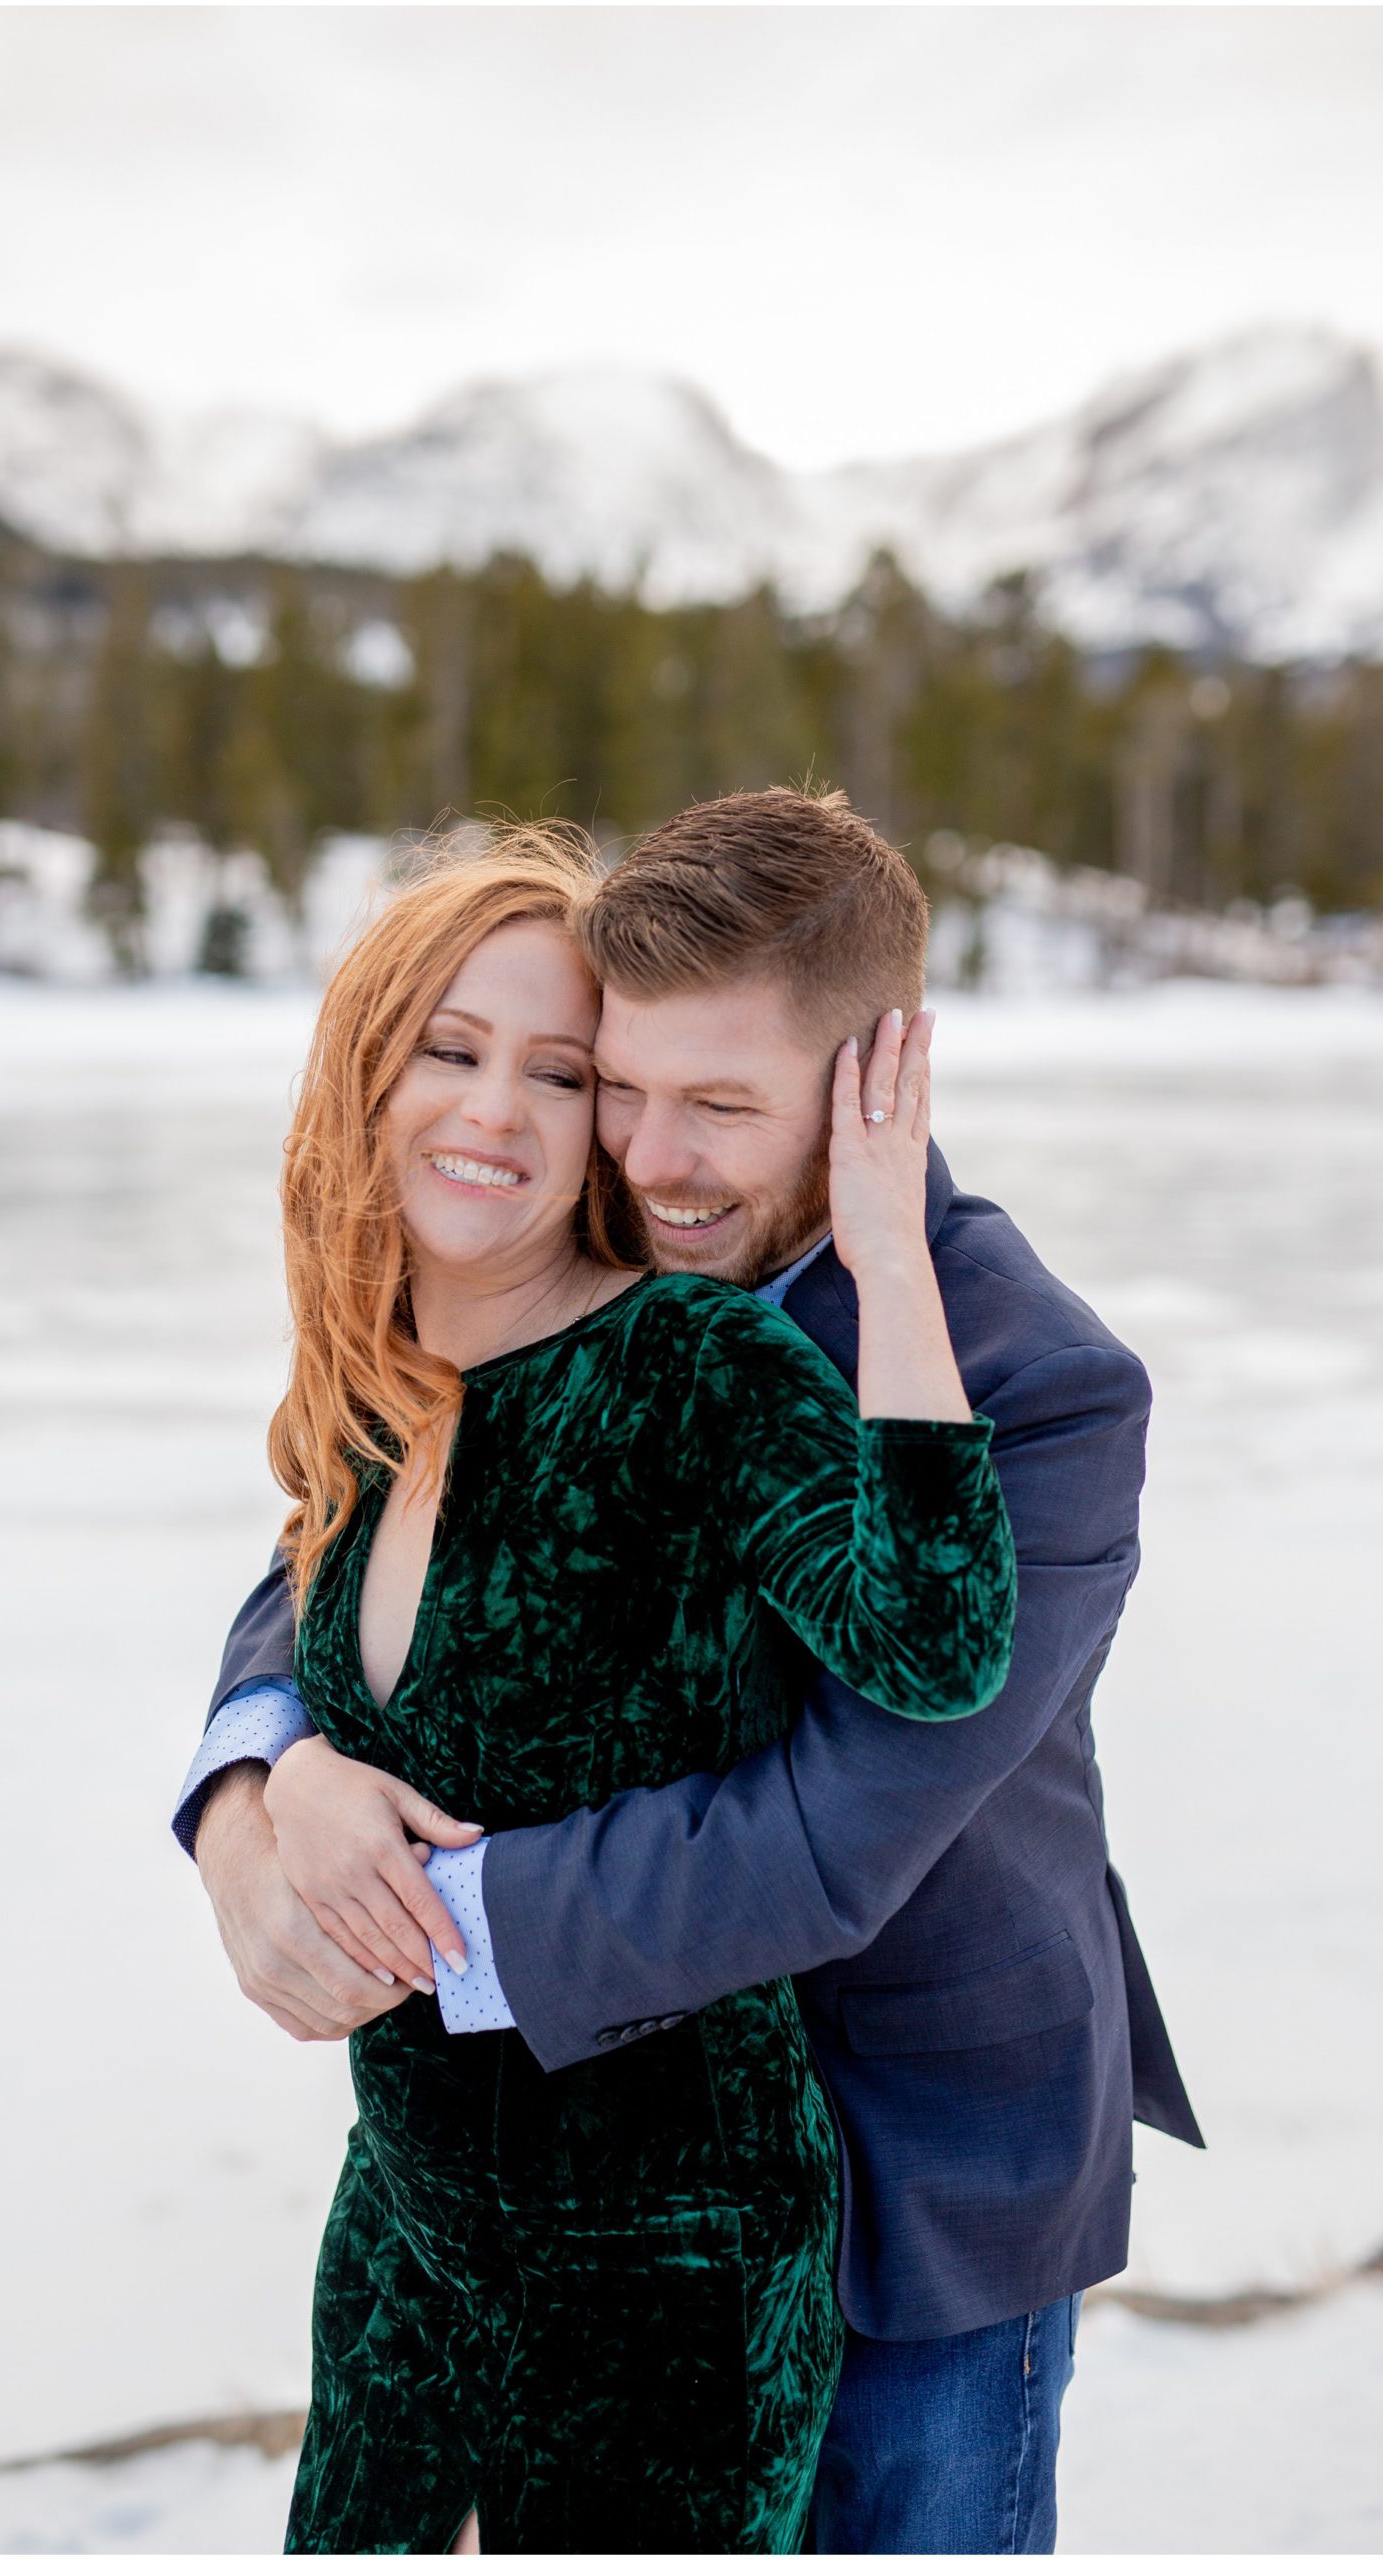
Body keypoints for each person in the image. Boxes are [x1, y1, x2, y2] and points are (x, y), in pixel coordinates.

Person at [178, 787, 1203, 2557]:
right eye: (620, 1088)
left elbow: (830, 1829)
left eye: (721, 1109)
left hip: (913, 2170)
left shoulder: (1039, 1381)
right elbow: (381, 1514)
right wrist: (269, 1775)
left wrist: (392, 1920)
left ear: (874, 1082)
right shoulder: (600, 1267)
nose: (651, 1160)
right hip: (584, 2167)